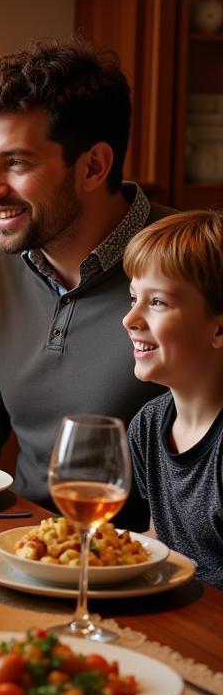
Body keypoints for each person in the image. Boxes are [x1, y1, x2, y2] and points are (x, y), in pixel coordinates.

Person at [0, 38, 171, 521]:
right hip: (27, 542)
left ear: (94, 166)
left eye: (17, 162)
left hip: (146, 562)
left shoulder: (193, 265)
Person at [123, 210, 223, 588]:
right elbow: (160, 544)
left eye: (158, 302)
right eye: (133, 298)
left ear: (219, 328)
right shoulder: (148, 425)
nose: (130, 318)